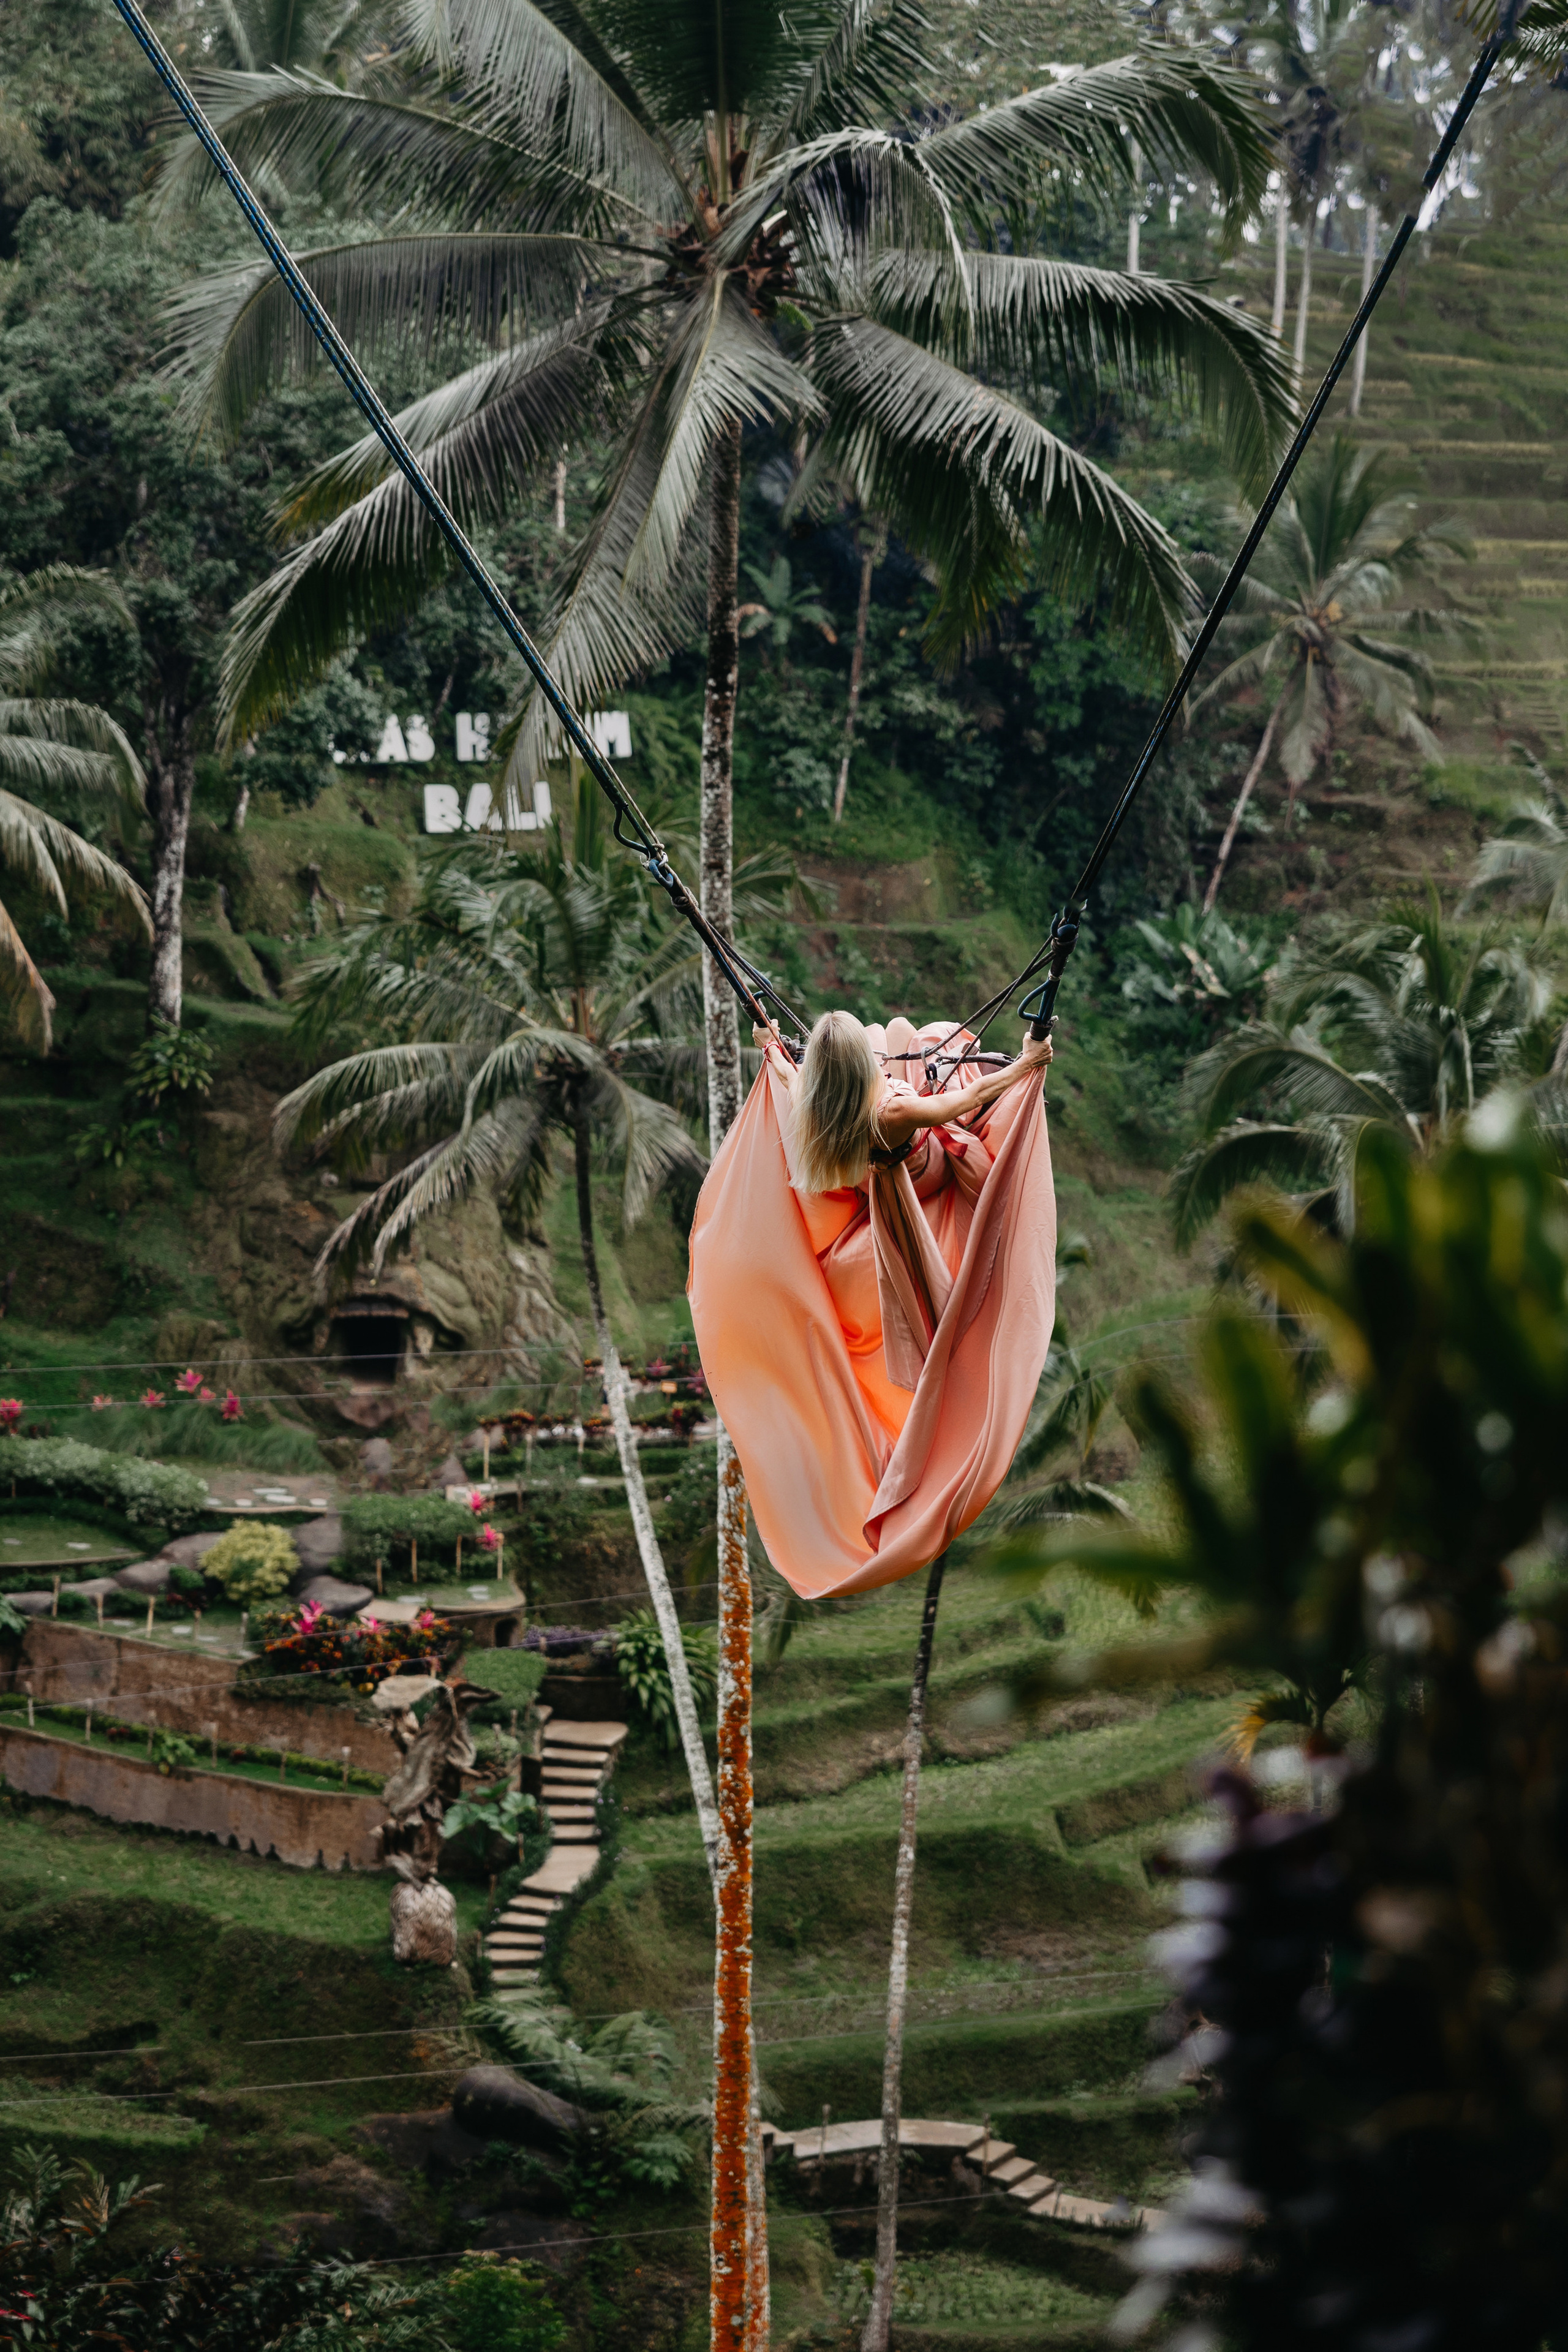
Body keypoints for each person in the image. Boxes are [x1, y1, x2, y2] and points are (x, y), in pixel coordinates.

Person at [687, 1009, 1058, 1600]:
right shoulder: (889, 1110)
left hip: (875, 1185)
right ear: (861, 1073)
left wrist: (770, 1044)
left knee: (903, 1031)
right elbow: (981, 1091)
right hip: (921, 1181)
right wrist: (1029, 1062)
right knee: (925, 1033)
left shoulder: (819, 1104)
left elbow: (788, 1078)